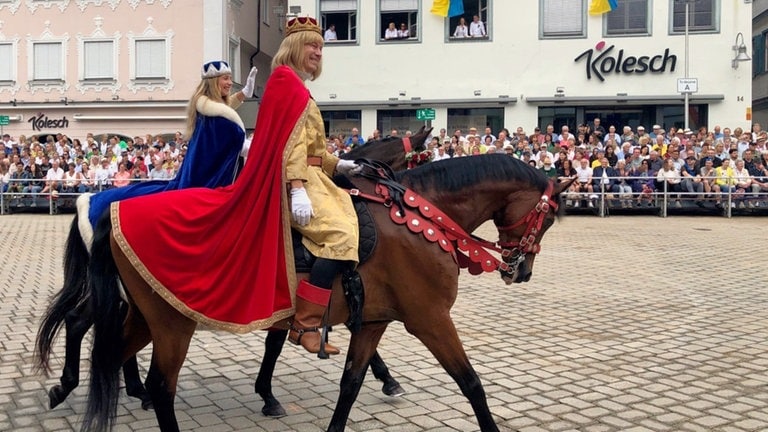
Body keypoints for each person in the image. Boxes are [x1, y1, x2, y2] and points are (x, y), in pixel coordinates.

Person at [108, 16, 361, 357]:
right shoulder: (287, 82)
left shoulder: (297, 85)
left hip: (314, 177)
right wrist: (298, 187)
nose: (318, 51)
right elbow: (290, 146)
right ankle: (305, 323)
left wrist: (338, 163)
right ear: (295, 47)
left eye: (320, 46)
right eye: (312, 45)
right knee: (340, 235)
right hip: (293, 181)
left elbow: (312, 147)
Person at [82, 61, 258, 236]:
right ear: (213, 82)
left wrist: (242, 94)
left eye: (230, 79)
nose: (230, 83)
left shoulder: (208, 110)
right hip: (204, 185)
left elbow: (223, 110)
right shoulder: (217, 119)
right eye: (225, 79)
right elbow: (233, 138)